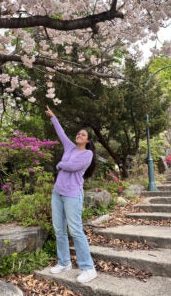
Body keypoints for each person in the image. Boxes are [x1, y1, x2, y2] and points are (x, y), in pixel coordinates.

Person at [45, 106, 97, 283]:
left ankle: (88, 268)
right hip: (57, 193)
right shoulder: (69, 147)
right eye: (78, 134)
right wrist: (54, 118)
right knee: (59, 230)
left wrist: (60, 165)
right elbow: (61, 133)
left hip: (73, 195)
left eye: (83, 135)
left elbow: (72, 167)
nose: (79, 136)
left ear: (88, 140)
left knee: (75, 230)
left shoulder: (87, 154)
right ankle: (64, 262)